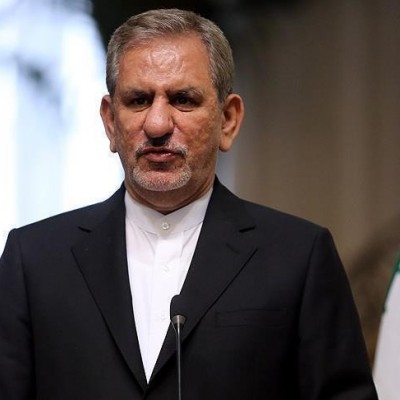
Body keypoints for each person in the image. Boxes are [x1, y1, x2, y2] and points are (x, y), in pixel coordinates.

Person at [0, 8, 378, 400]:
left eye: (182, 100)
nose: (157, 125)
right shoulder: (34, 261)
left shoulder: (299, 257)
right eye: (138, 100)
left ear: (228, 120)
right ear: (110, 122)